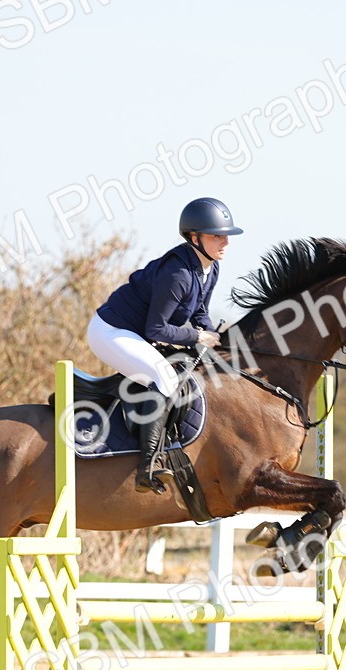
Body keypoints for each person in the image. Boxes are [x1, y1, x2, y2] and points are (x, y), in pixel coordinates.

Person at [87, 197, 243, 494]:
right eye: (216, 236)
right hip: (111, 331)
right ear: (194, 238)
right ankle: (147, 468)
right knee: (164, 377)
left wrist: (214, 340)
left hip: (135, 333)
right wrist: (198, 337)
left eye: (225, 235)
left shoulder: (209, 267)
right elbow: (156, 328)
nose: (225, 242)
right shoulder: (179, 273)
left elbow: (199, 313)